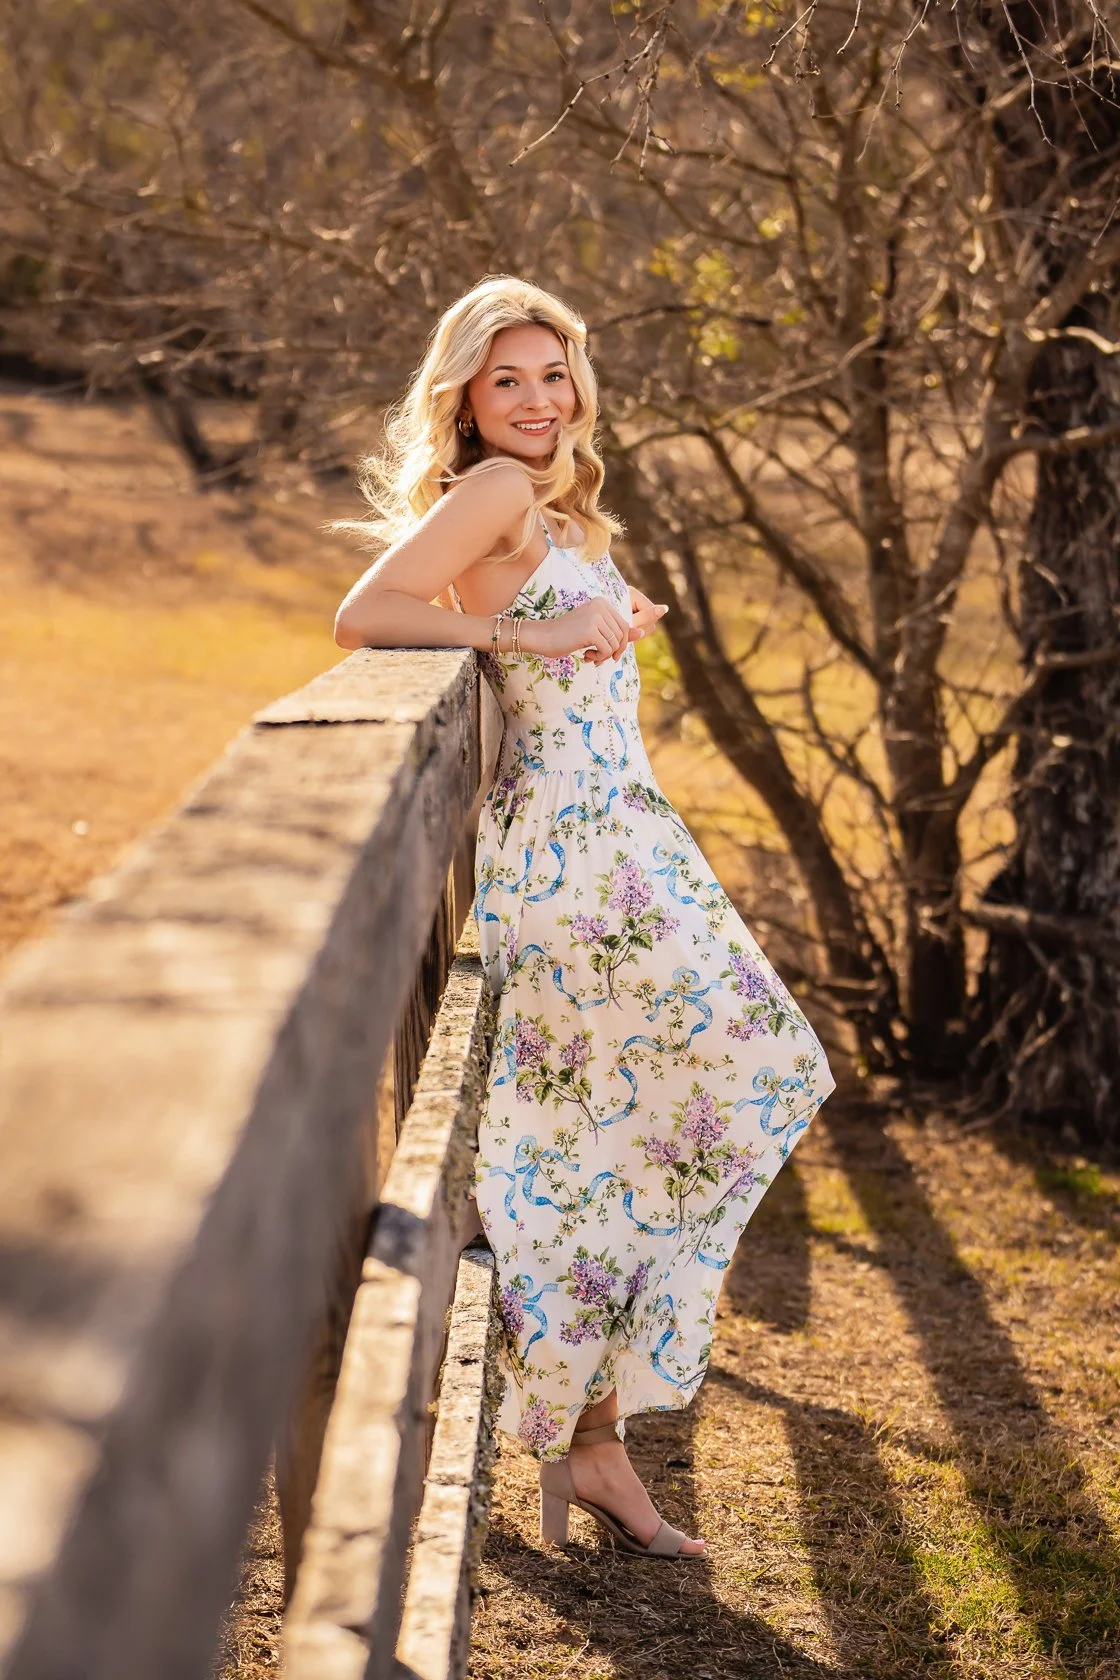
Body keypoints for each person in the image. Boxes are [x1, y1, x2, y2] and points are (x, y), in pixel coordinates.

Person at [335, 276, 835, 1560]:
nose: (539, 400)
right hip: (573, 855)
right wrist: (529, 636)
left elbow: (565, 643)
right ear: (465, 396)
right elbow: (366, 614)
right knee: (734, 1076)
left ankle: (593, 1440)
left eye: (553, 375)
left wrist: (591, 627)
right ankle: (585, 1436)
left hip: (617, 834)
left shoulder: (557, 500)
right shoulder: (495, 491)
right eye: (509, 380)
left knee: (620, 1131)